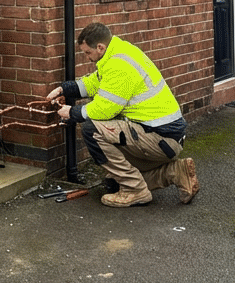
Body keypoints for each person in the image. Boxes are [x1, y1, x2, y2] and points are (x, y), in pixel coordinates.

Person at [47, 22, 199, 208]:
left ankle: (135, 190)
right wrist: (64, 88)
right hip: (164, 136)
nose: (87, 57)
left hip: (161, 138)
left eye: (88, 53)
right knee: (113, 182)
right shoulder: (119, 52)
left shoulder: (118, 65)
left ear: (100, 47)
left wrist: (72, 112)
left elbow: (105, 109)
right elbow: (94, 83)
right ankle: (176, 172)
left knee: (92, 130)